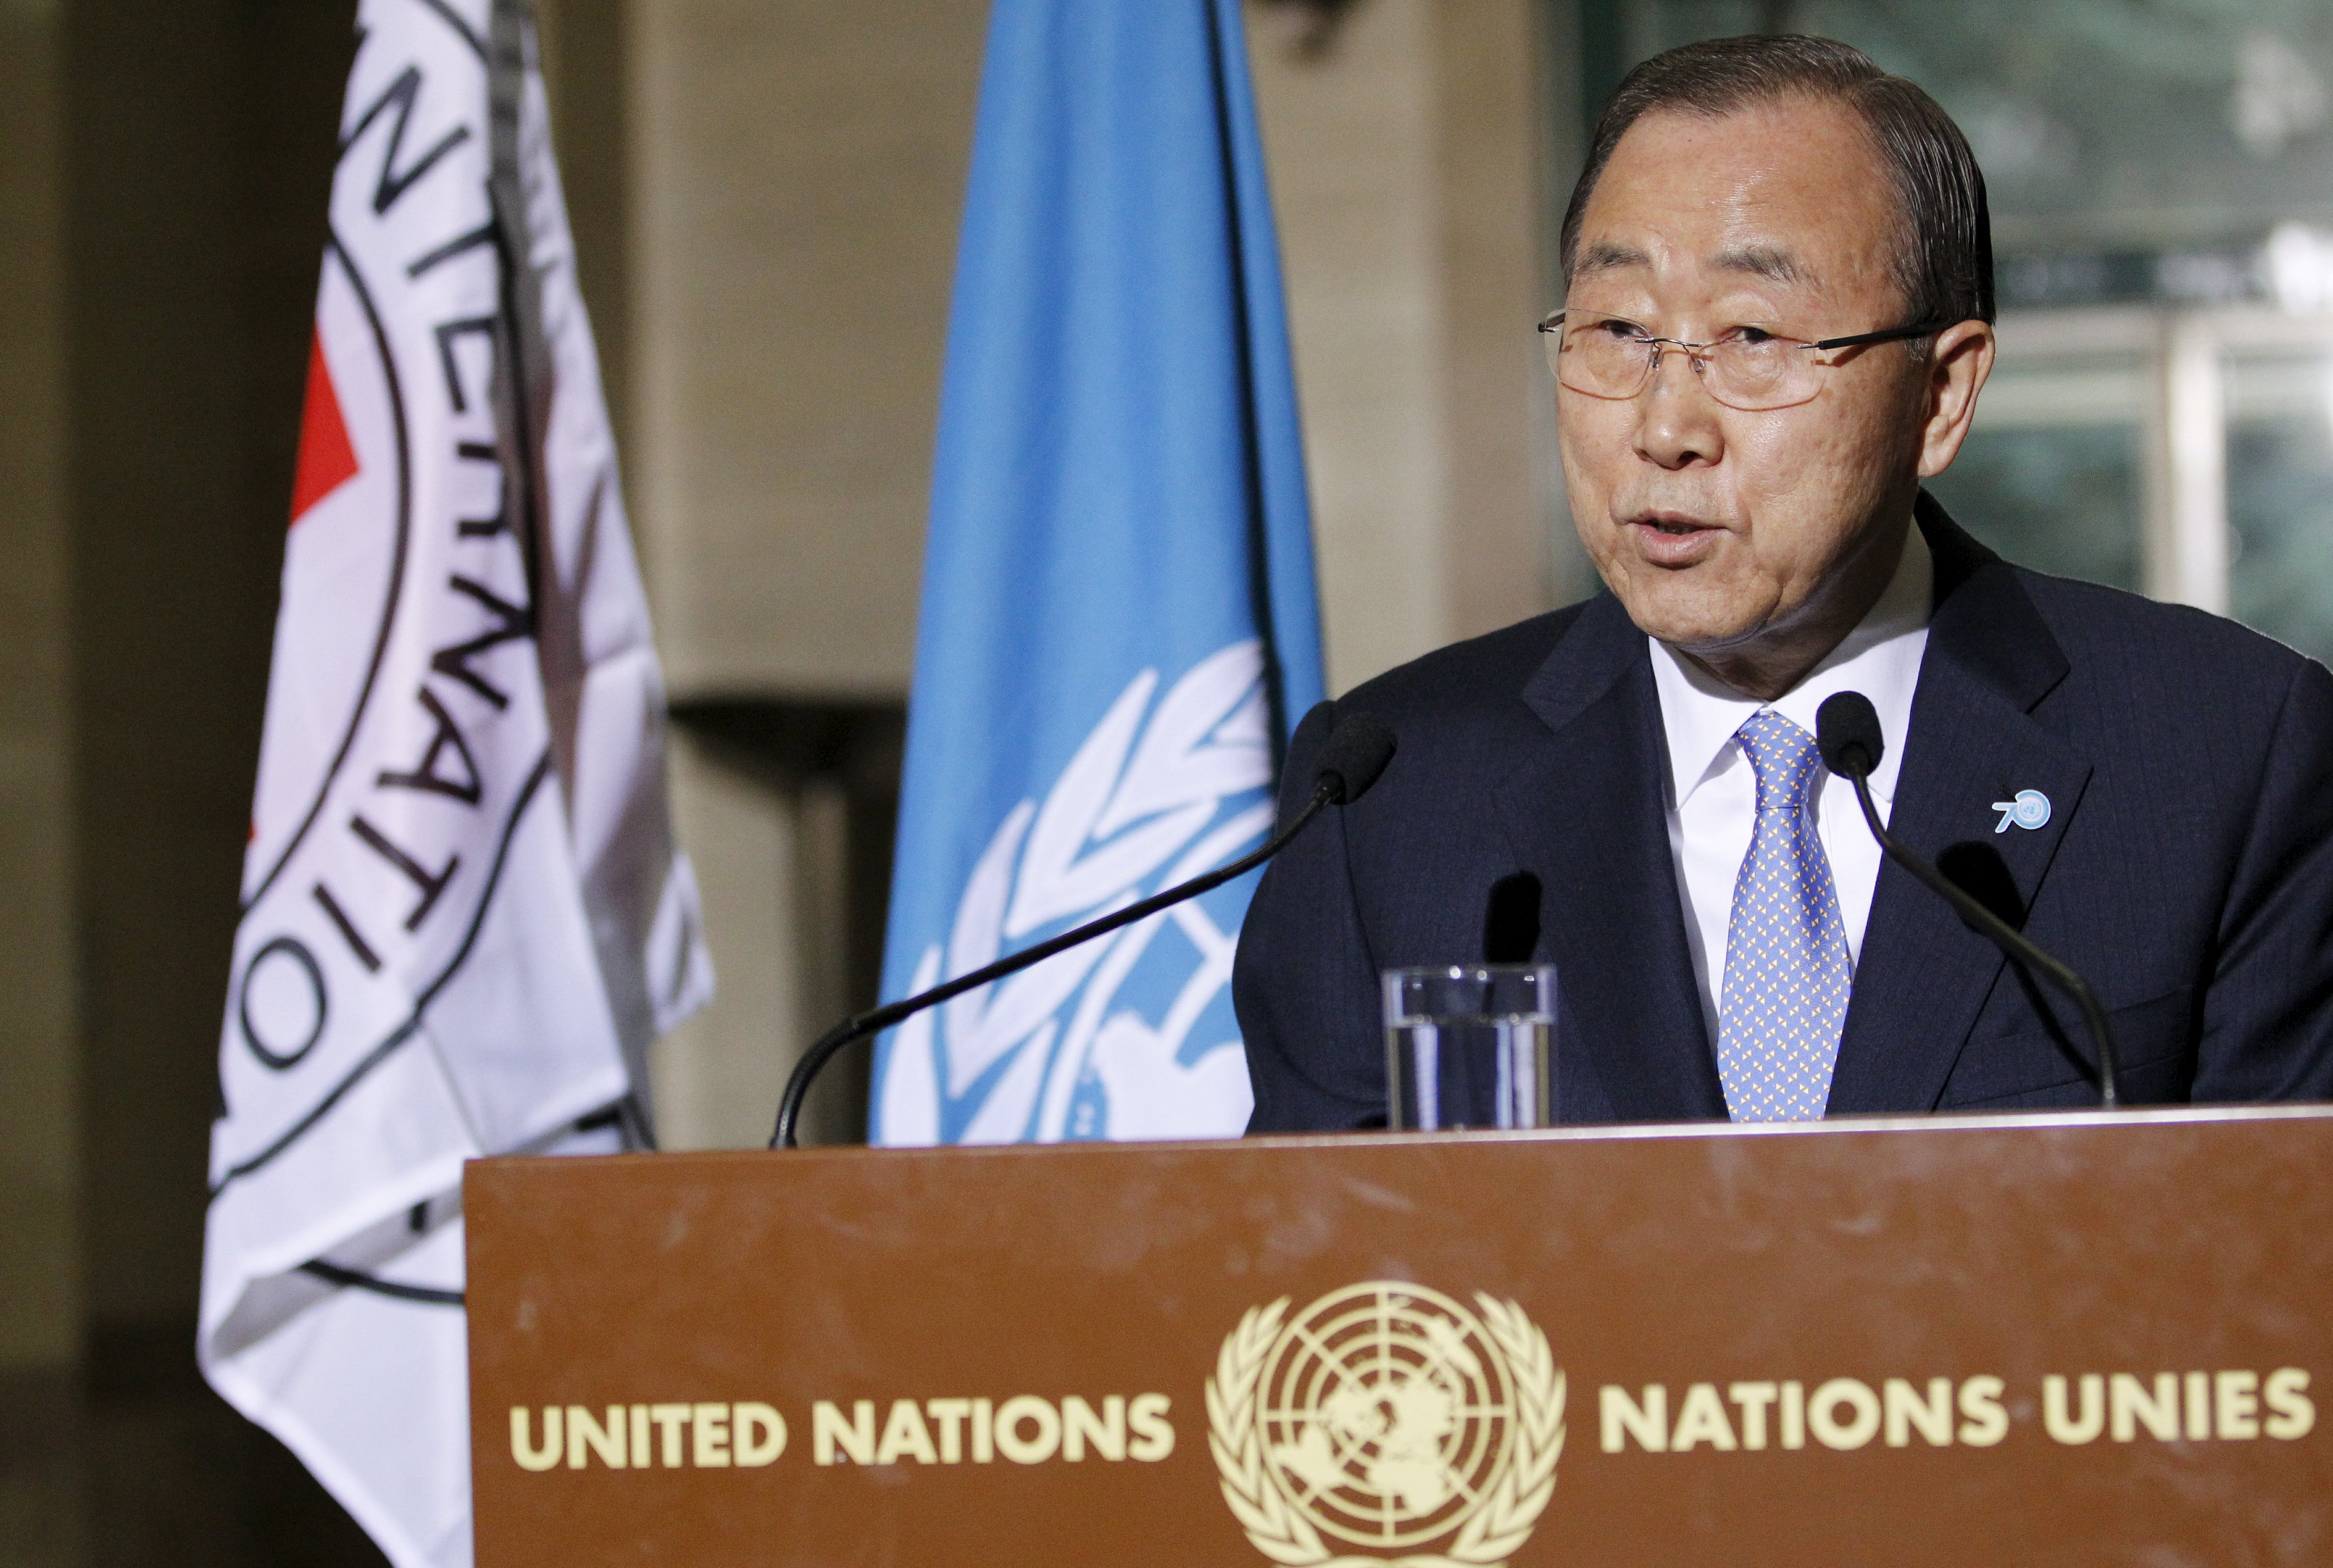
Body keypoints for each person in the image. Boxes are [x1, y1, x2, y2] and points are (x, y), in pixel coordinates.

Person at [1234, 34, 2333, 1130]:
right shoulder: (1385, 796)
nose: (1664, 428)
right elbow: (1321, 1284)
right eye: (1617, 329)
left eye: (1751, 335)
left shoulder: (2226, 755)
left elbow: (2281, 1273)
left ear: (1941, 395)